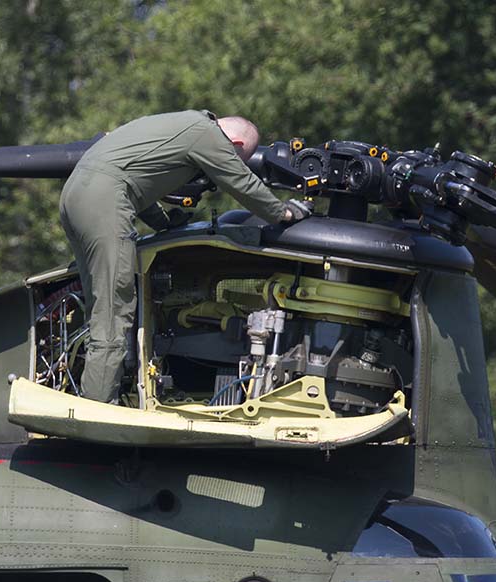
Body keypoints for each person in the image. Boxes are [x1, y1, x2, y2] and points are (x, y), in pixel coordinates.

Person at [59, 110, 311, 403]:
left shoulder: (183, 124)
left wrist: (164, 222)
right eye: (237, 158)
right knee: (115, 307)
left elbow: (130, 178)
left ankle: (88, 391)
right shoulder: (207, 134)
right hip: (103, 201)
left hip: (76, 195)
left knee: (100, 307)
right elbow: (240, 182)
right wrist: (283, 212)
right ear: (237, 145)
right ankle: (98, 405)